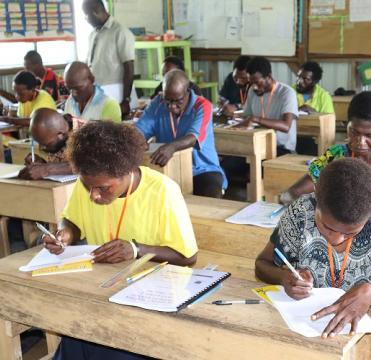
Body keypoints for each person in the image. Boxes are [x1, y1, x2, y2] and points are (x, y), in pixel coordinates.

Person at [43, 121, 197, 359]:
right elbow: (72, 220)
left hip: (146, 305)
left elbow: (188, 256)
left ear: (126, 171)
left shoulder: (163, 192)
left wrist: (137, 249)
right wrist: (66, 234)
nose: (94, 195)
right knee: (73, 337)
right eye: (88, 186)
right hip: (99, 295)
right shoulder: (90, 184)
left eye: (103, 188)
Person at [255, 158, 371, 360]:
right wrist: (284, 277)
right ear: (316, 201)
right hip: (312, 332)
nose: (336, 238)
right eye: (326, 226)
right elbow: (261, 265)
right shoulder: (301, 211)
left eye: (350, 232)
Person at [279, 91, 371, 226]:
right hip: (338, 236)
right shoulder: (335, 156)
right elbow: (293, 194)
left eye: (370, 135)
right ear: (347, 124)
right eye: (354, 132)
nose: (360, 142)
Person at [136, 69, 227, 198]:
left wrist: (171, 147)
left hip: (201, 169)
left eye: (177, 101)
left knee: (210, 195)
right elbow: (139, 130)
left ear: (187, 92)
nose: (172, 106)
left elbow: (193, 138)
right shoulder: (157, 103)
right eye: (168, 100)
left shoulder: (202, 105)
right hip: (168, 168)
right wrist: (138, 139)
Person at [83, 0, 135, 116]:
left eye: (86, 15)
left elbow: (129, 68)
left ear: (95, 11)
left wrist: (126, 100)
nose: (85, 19)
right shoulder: (93, 34)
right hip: (98, 91)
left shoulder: (120, 32)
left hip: (117, 90)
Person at [238, 56, 298, 155]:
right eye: (251, 83)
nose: (254, 87)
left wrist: (256, 119)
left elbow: (286, 126)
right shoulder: (252, 91)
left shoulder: (286, 93)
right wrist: (232, 127)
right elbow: (247, 117)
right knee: (229, 164)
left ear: (269, 77)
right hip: (257, 145)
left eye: (257, 82)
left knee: (257, 166)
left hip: (281, 148)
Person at [18, 108, 73, 180]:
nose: (41, 148)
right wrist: (42, 163)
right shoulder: (54, 136)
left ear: (60, 134)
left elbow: (89, 165)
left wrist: (46, 169)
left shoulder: (86, 134)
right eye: (39, 143)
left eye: (46, 144)